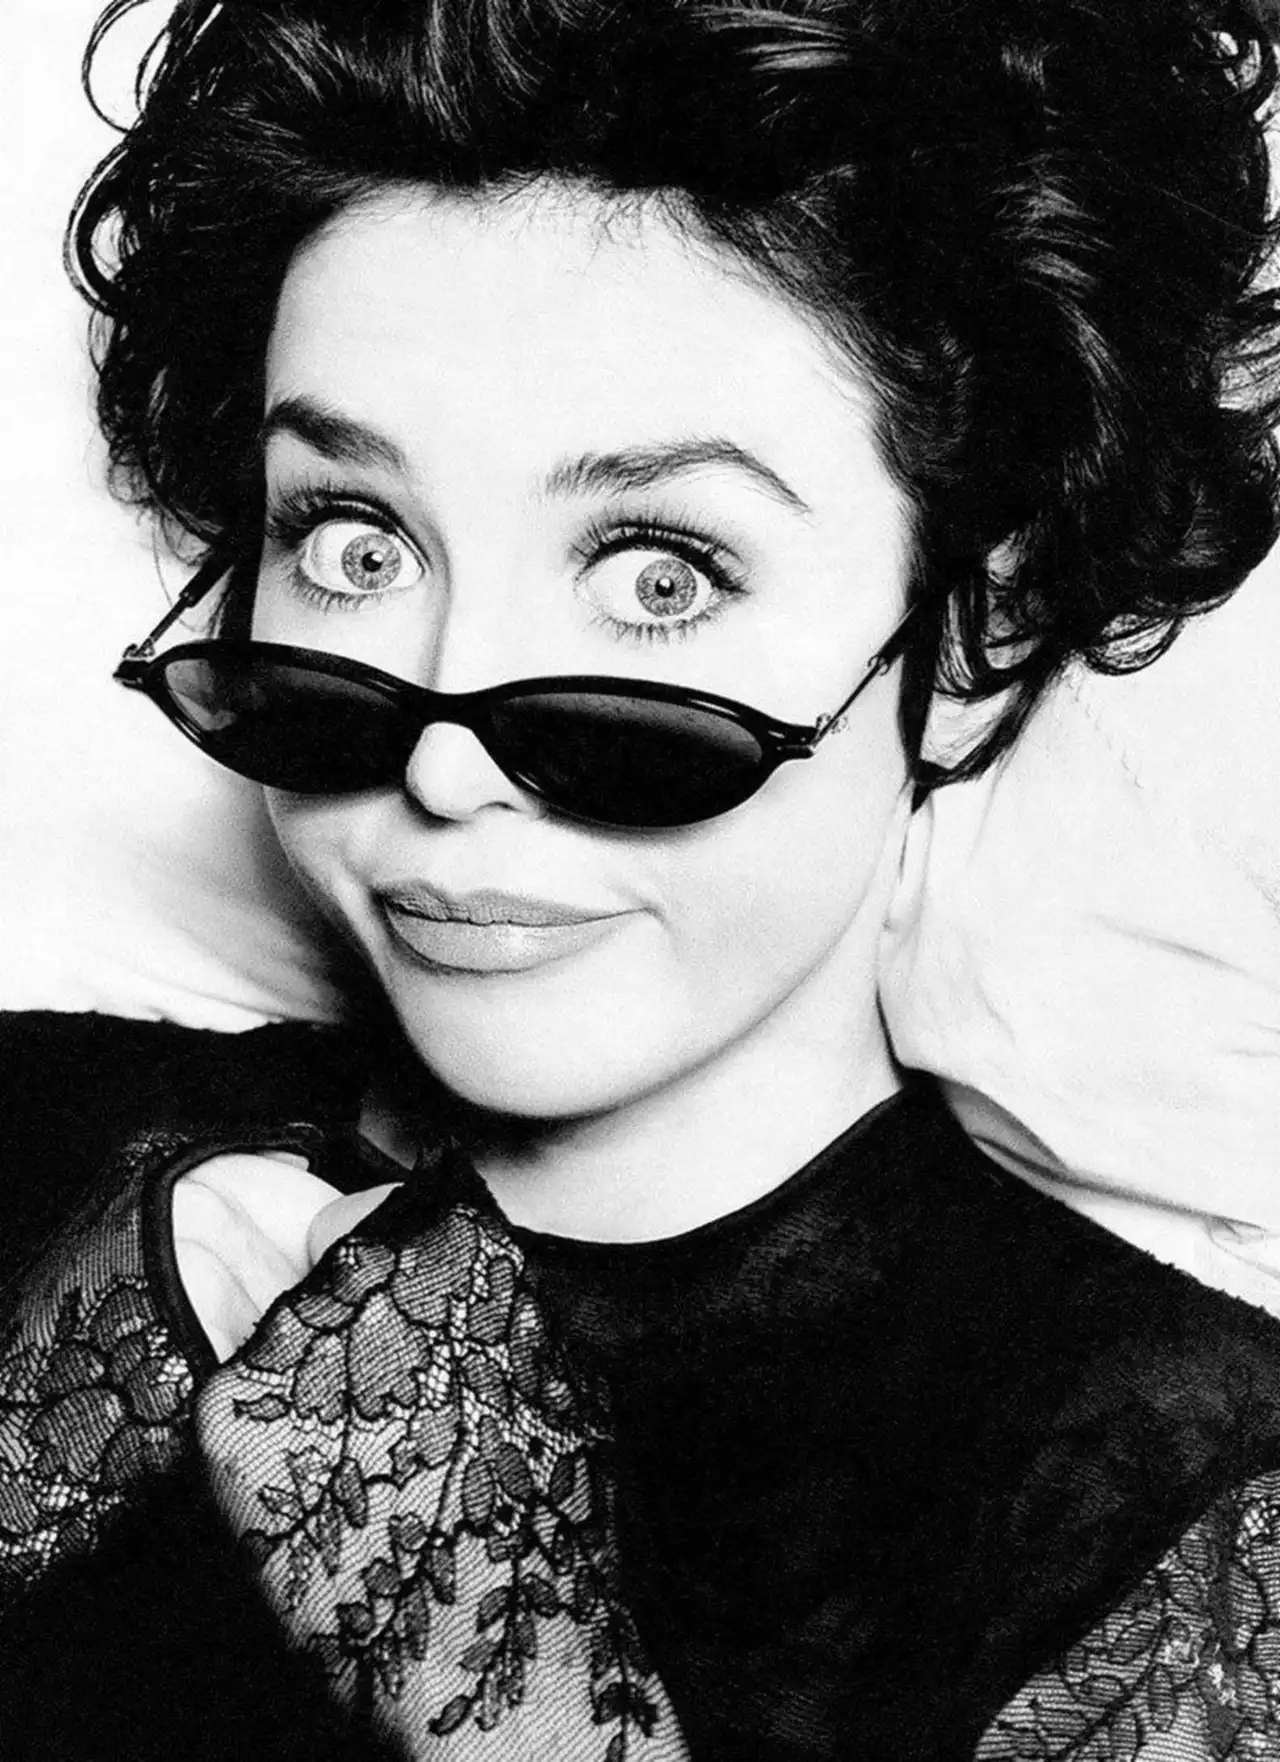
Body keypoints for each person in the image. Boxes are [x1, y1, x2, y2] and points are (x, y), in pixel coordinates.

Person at [2, 1, 1280, 1757]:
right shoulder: (43, 1130)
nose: (443, 760)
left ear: (975, 634)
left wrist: (497, 1674)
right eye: (355, 543)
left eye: (660, 575)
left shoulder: (1186, 1511)